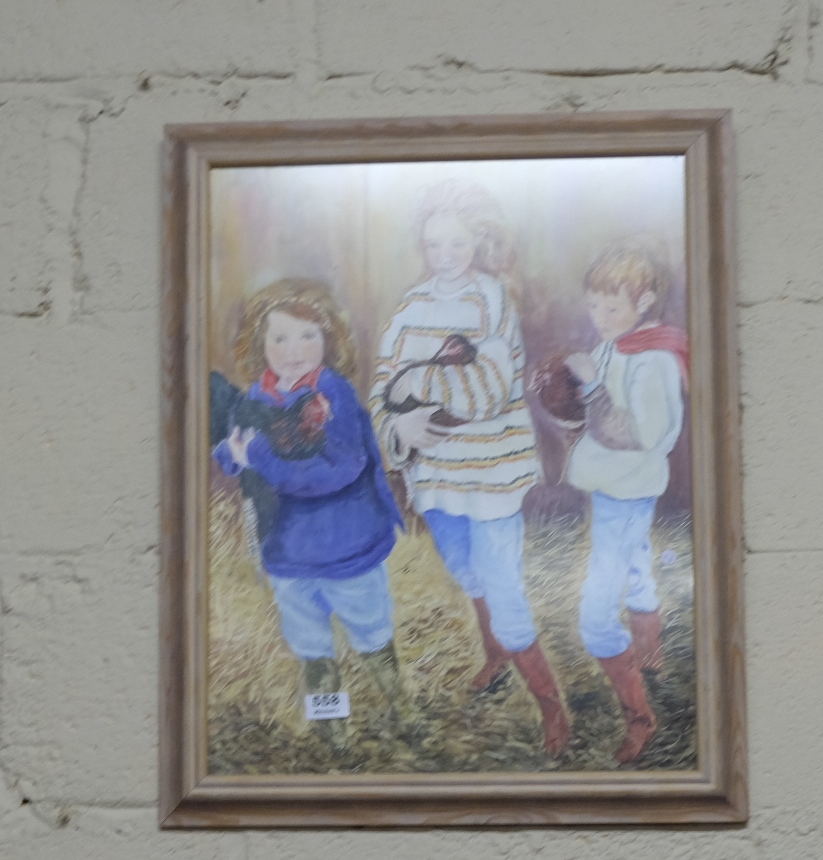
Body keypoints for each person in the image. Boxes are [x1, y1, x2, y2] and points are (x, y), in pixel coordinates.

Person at [369, 179, 570, 756]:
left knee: (504, 590)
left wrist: (416, 381)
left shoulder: (490, 299)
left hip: (492, 474)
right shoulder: (411, 306)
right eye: (435, 246)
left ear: (476, 243)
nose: (446, 256)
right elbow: (384, 386)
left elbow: (487, 387)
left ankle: (552, 710)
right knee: (465, 570)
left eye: (457, 244)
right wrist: (399, 426)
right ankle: (495, 656)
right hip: (435, 475)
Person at [212, 278, 407, 751]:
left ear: (329, 341)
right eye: (279, 338)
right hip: (286, 555)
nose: (293, 351)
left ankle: (401, 707)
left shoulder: (333, 396)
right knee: (312, 648)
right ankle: (332, 728)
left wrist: (260, 459)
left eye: (308, 336)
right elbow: (233, 450)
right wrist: (232, 453)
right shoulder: (257, 398)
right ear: (260, 344)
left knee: (371, 632)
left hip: (346, 547)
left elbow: (335, 470)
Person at [561, 238, 688, 763]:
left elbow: (648, 433)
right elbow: (594, 417)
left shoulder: (652, 358)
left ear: (644, 303)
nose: (599, 316)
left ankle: (640, 717)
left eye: (611, 306)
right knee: (636, 564)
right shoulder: (617, 345)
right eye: (593, 304)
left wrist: (590, 387)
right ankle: (651, 651)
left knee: (594, 616)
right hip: (614, 487)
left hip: (629, 486)